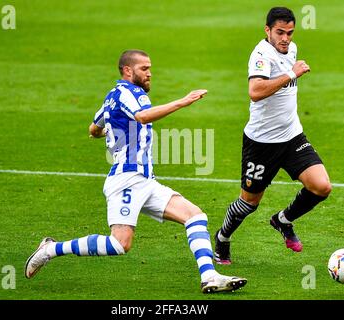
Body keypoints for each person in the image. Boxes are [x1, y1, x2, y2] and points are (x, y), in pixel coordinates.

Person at [25, 49, 247, 293]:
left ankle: (210, 277)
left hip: (144, 180)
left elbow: (93, 129)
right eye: (144, 69)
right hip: (126, 179)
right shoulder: (133, 93)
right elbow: (142, 116)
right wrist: (183, 101)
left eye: (150, 68)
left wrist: (111, 132)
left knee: (194, 216)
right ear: (128, 70)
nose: (150, 73)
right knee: (120, 244)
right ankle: (50, 249)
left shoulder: (112, 96)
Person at [213, 7, 332, 265]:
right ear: (267, 30)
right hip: (262, 144)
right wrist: (291, 74)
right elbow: (255, 91)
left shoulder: (292, 48)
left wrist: (291, 71)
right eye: (280, 32)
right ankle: (222, 238)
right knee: (249, 204)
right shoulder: (260, 55)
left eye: (289, 32)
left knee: (322, 186)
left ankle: (283, 220)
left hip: (292, 136)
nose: (285, 38)